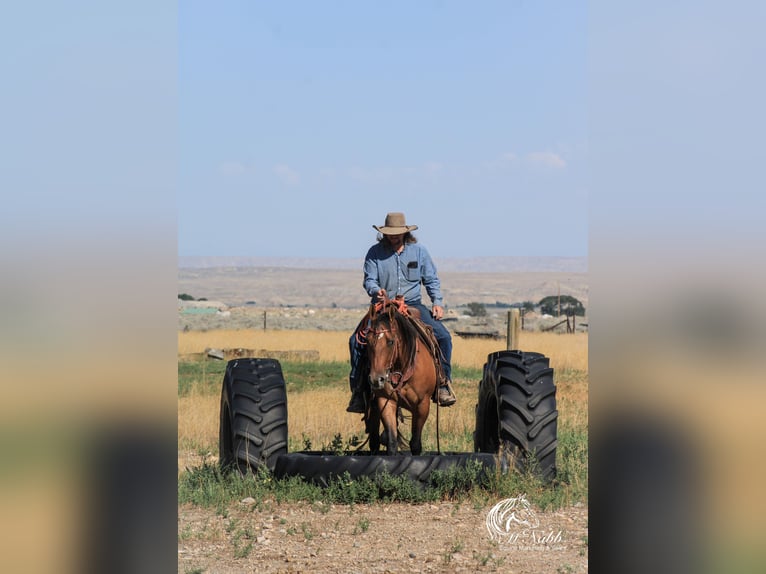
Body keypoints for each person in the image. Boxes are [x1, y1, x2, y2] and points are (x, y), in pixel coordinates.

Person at [346, 212, 456, 413]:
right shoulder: (375, 252)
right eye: (389, 233)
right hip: (383, 306)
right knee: (356, 341)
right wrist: (375, 290)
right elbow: (369, 279)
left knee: (444, 337)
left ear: (405, 233)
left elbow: (431, 279)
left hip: (413, 304)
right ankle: (359, 390)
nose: (393, 236)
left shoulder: (419, 252)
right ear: (384, 233)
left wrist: (437, 302)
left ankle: (442, 383)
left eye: (397, 233)